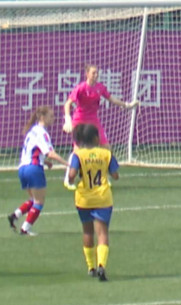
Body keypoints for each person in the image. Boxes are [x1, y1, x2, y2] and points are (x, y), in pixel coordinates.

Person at [67, 123, 120, 281]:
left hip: (84, 198)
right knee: (102, 233)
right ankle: (102, 265)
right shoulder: (106, 154)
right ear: (96, 138)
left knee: (87, 231)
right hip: (103, 197)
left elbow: (71, 175)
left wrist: (72, 180)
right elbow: (115, 175)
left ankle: (90, 267)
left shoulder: (78, 155)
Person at [7, 106, 69, 236]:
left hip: (22, 168)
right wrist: (67, 164)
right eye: (51, 116)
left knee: (33, 198)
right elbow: (50, 153)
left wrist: (45, 162)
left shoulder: (32, 131)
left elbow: (31, 151)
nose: (53, 119)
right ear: (42, 117)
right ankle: (25, 229)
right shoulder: (42, 133)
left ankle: (15, 215)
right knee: (39, 201)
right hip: (33, 169)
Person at [63, 64, 139, 149]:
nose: (96, 75)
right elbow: (68, 103)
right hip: (79, 119)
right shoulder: (81, 88)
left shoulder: (100, 87)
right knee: (78, 148)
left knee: (106, 147)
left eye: (97, 73)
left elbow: (112, 99)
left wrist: (127, 105)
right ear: (87, 74)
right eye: (93, 73)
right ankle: (74, 162)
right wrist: (67, 119)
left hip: (93, 119)